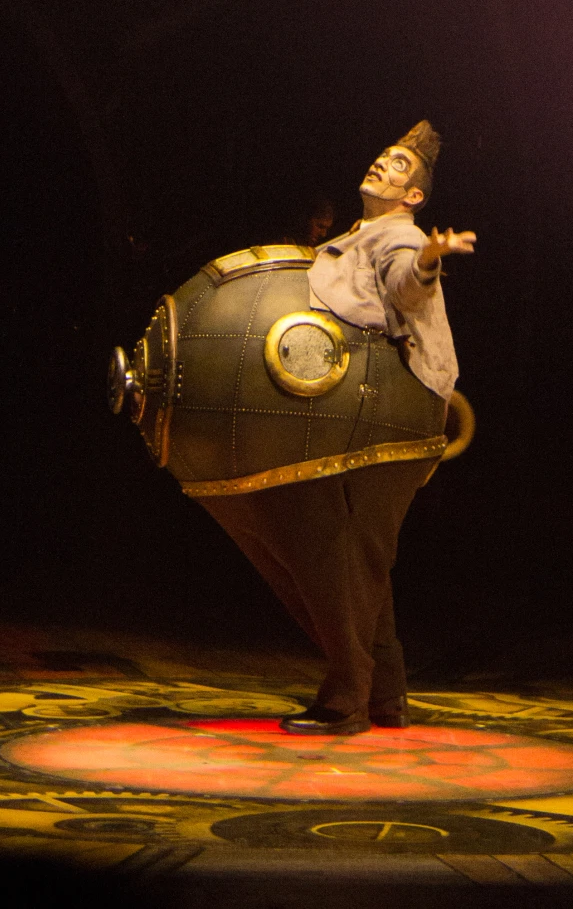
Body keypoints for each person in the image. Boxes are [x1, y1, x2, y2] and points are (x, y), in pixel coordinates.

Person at [201, 120, 474, 735]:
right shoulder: (360, 235)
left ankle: (346, 697)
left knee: (343, 551)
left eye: (398, 166)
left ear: (415, 198)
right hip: (379, 407)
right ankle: (384, 695)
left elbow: (405, 287)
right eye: (382, 156)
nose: (382, 165)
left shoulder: (398, 238)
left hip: (395, 407)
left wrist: (429, 260)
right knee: (362, 557)